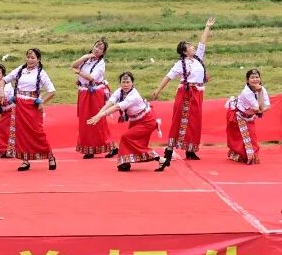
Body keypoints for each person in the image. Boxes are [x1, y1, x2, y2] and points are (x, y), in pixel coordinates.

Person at [152, 17, 216, 169]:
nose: (193, 48)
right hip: (185, 94)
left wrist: (207, 27)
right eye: (190, 47)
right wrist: (158, 90)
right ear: (185, 52)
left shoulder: (198, 58)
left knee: (195, 122)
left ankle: (190, 150)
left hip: (198, 93)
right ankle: (169, 150)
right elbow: (168, 77)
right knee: (178, 120)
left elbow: (202, 42)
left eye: (193, 46)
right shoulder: (180, 64)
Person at [87, 72, 161, 172]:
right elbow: (110, 103)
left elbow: (117, 107)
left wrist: (100, 116)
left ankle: (160, 159)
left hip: (146, 121)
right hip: (136, 121)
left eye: (128, 82)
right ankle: (125, 163)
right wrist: (98, 115)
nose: (125, 85)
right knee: (131, 141)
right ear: (120, 83)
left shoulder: (133, 95)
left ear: (132, 83)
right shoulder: (120, 91)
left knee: (126, 138)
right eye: (123, 82)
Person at [3, 48, 57, 171]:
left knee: (37, 133)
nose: (30, 60)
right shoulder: (20, 69)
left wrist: (42, 101)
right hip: (19, 105)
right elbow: (4, 80)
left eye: (33, 58)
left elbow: (52, 91)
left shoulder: (41, 73)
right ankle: (25, 160)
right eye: (28, 57)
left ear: (38, 59)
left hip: (32, 106)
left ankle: (50, 156)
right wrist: (1, 92)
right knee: (22, 133)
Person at [71, 39, 118, 159]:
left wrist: (79, 72)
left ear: (103, 53)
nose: (97, 49)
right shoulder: (87, 58)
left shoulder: (101, 64)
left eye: (100, 49)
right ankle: (89, 148)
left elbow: (92, 78)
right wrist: (85, 57)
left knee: (98, 121)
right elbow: (73, 65)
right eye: (96, 46)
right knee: (84, 121)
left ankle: (111, 147)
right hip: (84, 92)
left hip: (95, 93)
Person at [225, 68, 270, 165]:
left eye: (257, 77)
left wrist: (260, 92)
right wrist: (260, 93)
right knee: (245, 139)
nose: (255, 79)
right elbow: (258, 108)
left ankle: (247, 156)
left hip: (249, 116)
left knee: (251, 137)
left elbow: (267, 106)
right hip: (238, 116)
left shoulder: (262, 89)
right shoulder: (246, 92)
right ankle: (243, 156)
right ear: (247, 80)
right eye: (252, 77)